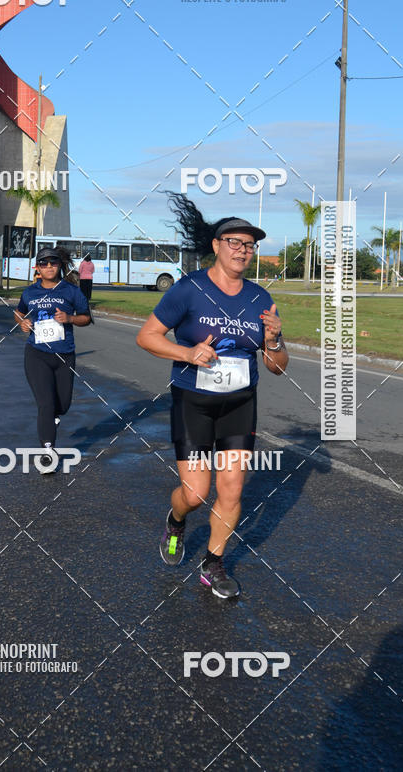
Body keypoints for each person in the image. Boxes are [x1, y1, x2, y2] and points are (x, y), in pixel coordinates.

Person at [136, 215, 288, 599]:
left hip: (240, 403)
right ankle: (176, 521)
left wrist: (273, 340)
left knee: (232, 490)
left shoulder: (260, 298)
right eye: (235, 242)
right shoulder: (189, 290)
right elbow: (147, 337)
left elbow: (277, 367)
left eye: (249, 245)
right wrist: (188, 353)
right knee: (195, 493)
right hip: (194, 403)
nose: (243, 250)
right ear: (217, 245)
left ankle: (213, 563)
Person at [13, 246, 91, 472]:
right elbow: (18, 312)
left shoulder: (71, 291)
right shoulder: (30, 292)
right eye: (44, 263)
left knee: (63, 404)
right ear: (37, 268)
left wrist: (70, 318)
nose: (49, 266)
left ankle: (54, 416)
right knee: (45, 403)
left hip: (64, 354)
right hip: (36, 354)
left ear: (59, 266)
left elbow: (86, 318)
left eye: (53, 262)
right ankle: (48, 451)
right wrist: (22, 322)